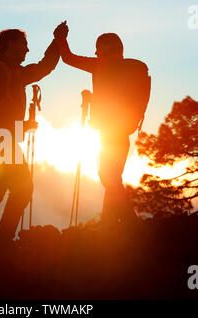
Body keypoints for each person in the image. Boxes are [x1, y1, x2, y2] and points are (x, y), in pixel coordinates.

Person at [0, 27, 60, 242]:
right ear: (9, 46)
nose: (27, 50)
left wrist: (57, 42)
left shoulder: (6, 71)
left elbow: (43, 68)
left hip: (0, 137)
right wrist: (57, 42)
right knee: (20, 189)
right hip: (2, 139)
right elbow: (0, 112)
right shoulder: (2, 72)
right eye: (22, 45)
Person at [54, 22, 138, 229]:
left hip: (108, 132)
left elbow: (68, 58)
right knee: (112, 177)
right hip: (123, 131)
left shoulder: (100, 66)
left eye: (98, 48)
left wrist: (60, 37)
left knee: (108, 177)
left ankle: (131, 224)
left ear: (107, 49)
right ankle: (109, 224)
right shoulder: (128, 69)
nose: (95, 52)